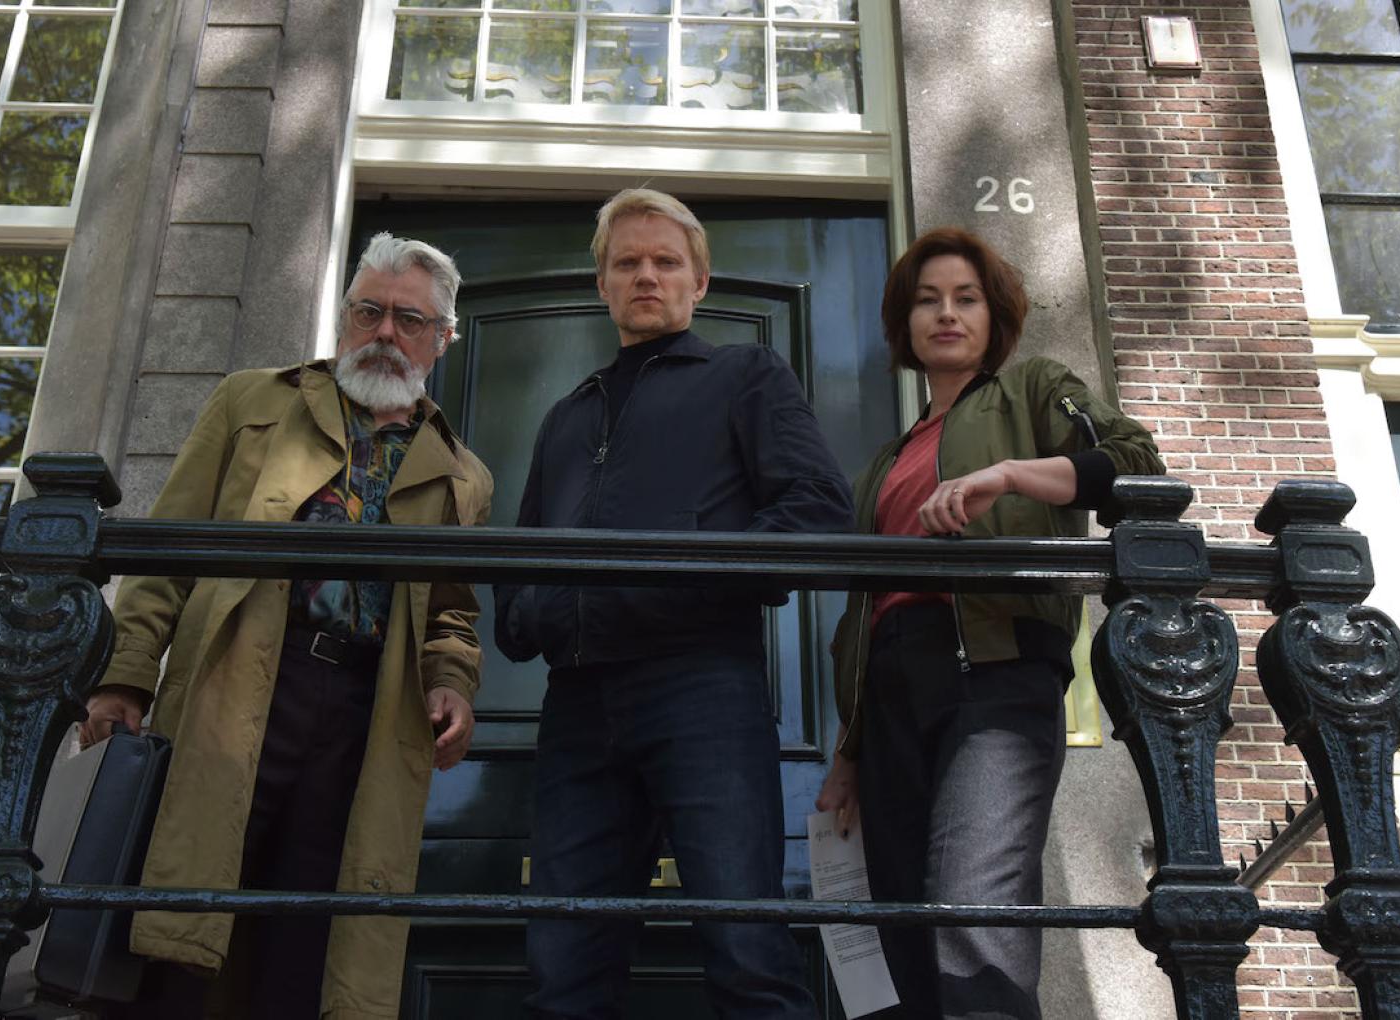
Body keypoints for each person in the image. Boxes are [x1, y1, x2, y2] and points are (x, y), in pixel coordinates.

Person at [80, 232, 493, 1018]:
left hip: (365, 715)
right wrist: (126, 676)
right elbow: (169, 545)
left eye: (409, 320)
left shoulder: (465, 473)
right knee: (182, 919)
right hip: (232, 689)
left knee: (305, 936)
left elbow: (452, 612)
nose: (382, 333)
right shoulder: (252, 399)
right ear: (344, 315)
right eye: (367, 311)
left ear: (442, 340)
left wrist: (451, 684)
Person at [494, 188, 851, 1019]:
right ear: (602, 285)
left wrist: (681, 586)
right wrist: (532, 616)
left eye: (665, 262)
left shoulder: (743, 376)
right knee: (563, 965)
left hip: (702, 690)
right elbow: (520, 553)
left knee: (746, 948)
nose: (645, 275)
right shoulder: (566, 415)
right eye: (627, 263)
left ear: (699, 281)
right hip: (577, 703)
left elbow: (815, 504)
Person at [815, 227, 1165, 1019]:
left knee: (975, 912)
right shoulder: (884, 462)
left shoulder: (1031, 388)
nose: (946, 313)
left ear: (993, 315)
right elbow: (864, 612)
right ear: (904, 324)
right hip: (892, 702)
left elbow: (1137, 462)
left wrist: (1008, 475)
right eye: (927, 301)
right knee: (900, 939)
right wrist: (848, 747)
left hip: (995, 674)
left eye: (965, 299)